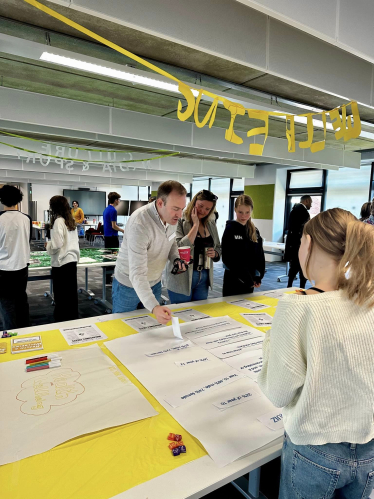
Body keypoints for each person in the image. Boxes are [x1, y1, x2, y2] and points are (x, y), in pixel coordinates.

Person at [258, 208, 374, 499]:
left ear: (307, 243)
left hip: (316, 451)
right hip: (369, 448)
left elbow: (278, 393)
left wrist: (274, 337)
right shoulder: (370, 299)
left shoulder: (298, 307)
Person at [112, 181, 187, 323]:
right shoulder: (140, 223)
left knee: (150, 329)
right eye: (176, 208)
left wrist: (176, 258)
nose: (180, 214)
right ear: (160, 203)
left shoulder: (172, 218)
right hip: (128, 284)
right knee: (124, 329)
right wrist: (154, 306)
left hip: (154, 282)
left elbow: (171, 242)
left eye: (182, 209)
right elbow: (137, 273)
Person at [167, 189, 221, 303]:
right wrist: (195, 225)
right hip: (182, 277)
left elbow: (218, 247)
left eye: (208, 209)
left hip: (204, 276)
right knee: (181, 314)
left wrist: (215, 253)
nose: (203, 211)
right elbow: (179, 247)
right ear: (194, 202)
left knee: (199, 316)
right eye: (200, 206)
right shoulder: (179, 220)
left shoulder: (210, 223)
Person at [0, 185, 31, 329]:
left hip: (3, 268)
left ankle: (10, 334)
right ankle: (24, 330)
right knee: (21, 299)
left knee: (6, 303)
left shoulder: (0, 219)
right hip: (22, 265)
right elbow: (27, 240)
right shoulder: (26, 218)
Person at [221, 194, 265, 297]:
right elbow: (228, 258)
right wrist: (244, 277)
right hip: (233, 279)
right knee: (230, 309)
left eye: (247, 212)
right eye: (240, 212)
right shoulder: (230, 229)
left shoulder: (254, 231)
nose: (243, 216)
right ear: (235, 210)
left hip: (250, 280)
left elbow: (259, 256)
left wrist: (258, 275)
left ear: (251, 211)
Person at [46, 196, 80, 322]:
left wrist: (48, 245)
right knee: (71, 295)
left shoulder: (58, 221)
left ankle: (61, 321)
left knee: (61, 295)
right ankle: (72, 319)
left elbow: (57, 244)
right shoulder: (70, 220)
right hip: (72, 260)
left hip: (61, 263)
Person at [284, 195, 312, 288]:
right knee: (302, 267)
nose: (311, 205)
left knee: (294, 267)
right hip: (299, 245)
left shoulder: (294, 209)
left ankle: (289, 285)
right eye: (310, 202)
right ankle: (301, 287)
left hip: (294, 245)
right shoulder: (302, 212)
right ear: (307, 201)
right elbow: (304, 229)